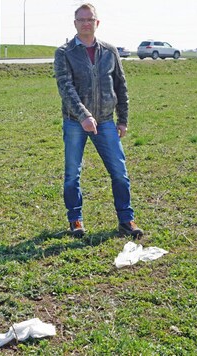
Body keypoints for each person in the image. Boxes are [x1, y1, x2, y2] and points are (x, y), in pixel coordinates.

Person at [53, 3, 144, 238]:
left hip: (105, 121)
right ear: (75, 24)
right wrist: (84, 116)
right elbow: (65, 87)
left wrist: (122, 119)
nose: (86, 23)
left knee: (120, 172)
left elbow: (121, 86)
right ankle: (75, 220)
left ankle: (126, 220)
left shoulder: (110, 51)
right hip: (75, 122)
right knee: (72, 173)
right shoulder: (64, 53)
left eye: (89, 19)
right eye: (81, 20)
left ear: (97, 23)